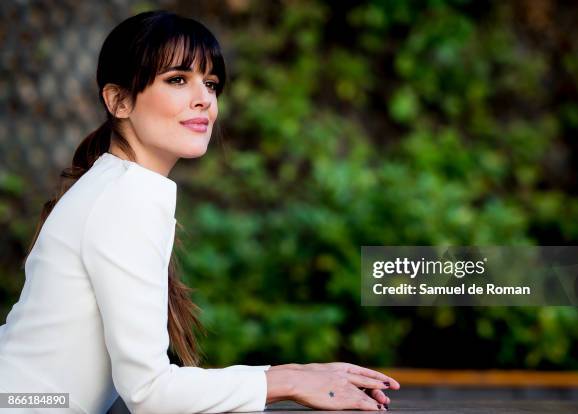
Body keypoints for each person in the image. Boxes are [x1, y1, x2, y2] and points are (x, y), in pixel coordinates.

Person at [0, 10, 399, 414]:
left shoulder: (119, 187)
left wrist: (292, 372)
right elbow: (150, 394)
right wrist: (286, 380)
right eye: (177, 80)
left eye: (210, 83)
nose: (204, 99)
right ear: (118, 100)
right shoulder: (124, 200)